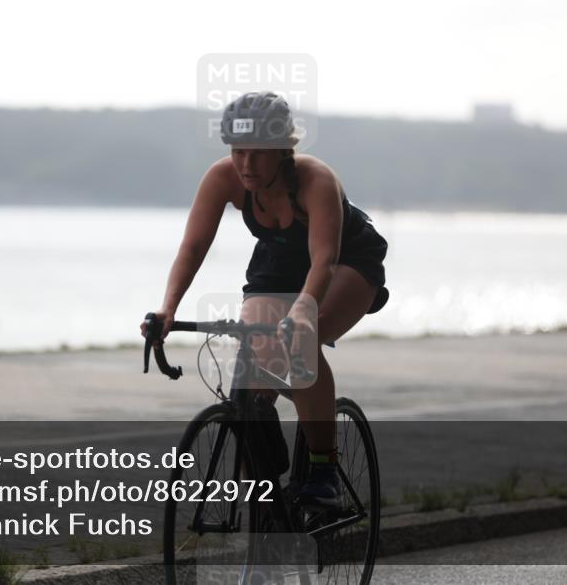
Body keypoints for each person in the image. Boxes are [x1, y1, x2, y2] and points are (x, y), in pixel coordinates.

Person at [141, 91, 388, 506]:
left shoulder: (316, 180)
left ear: (283, 150)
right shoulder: (223, 178)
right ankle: (268, 503)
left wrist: (304, 312)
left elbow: (324, 260)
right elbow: (193, 247)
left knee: (301, 344)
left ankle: (323, 470)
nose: (246, 165)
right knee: (252, 379)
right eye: (238, 151)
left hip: (347, 260)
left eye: (259, 153)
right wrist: (168, 309)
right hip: (277, 261)